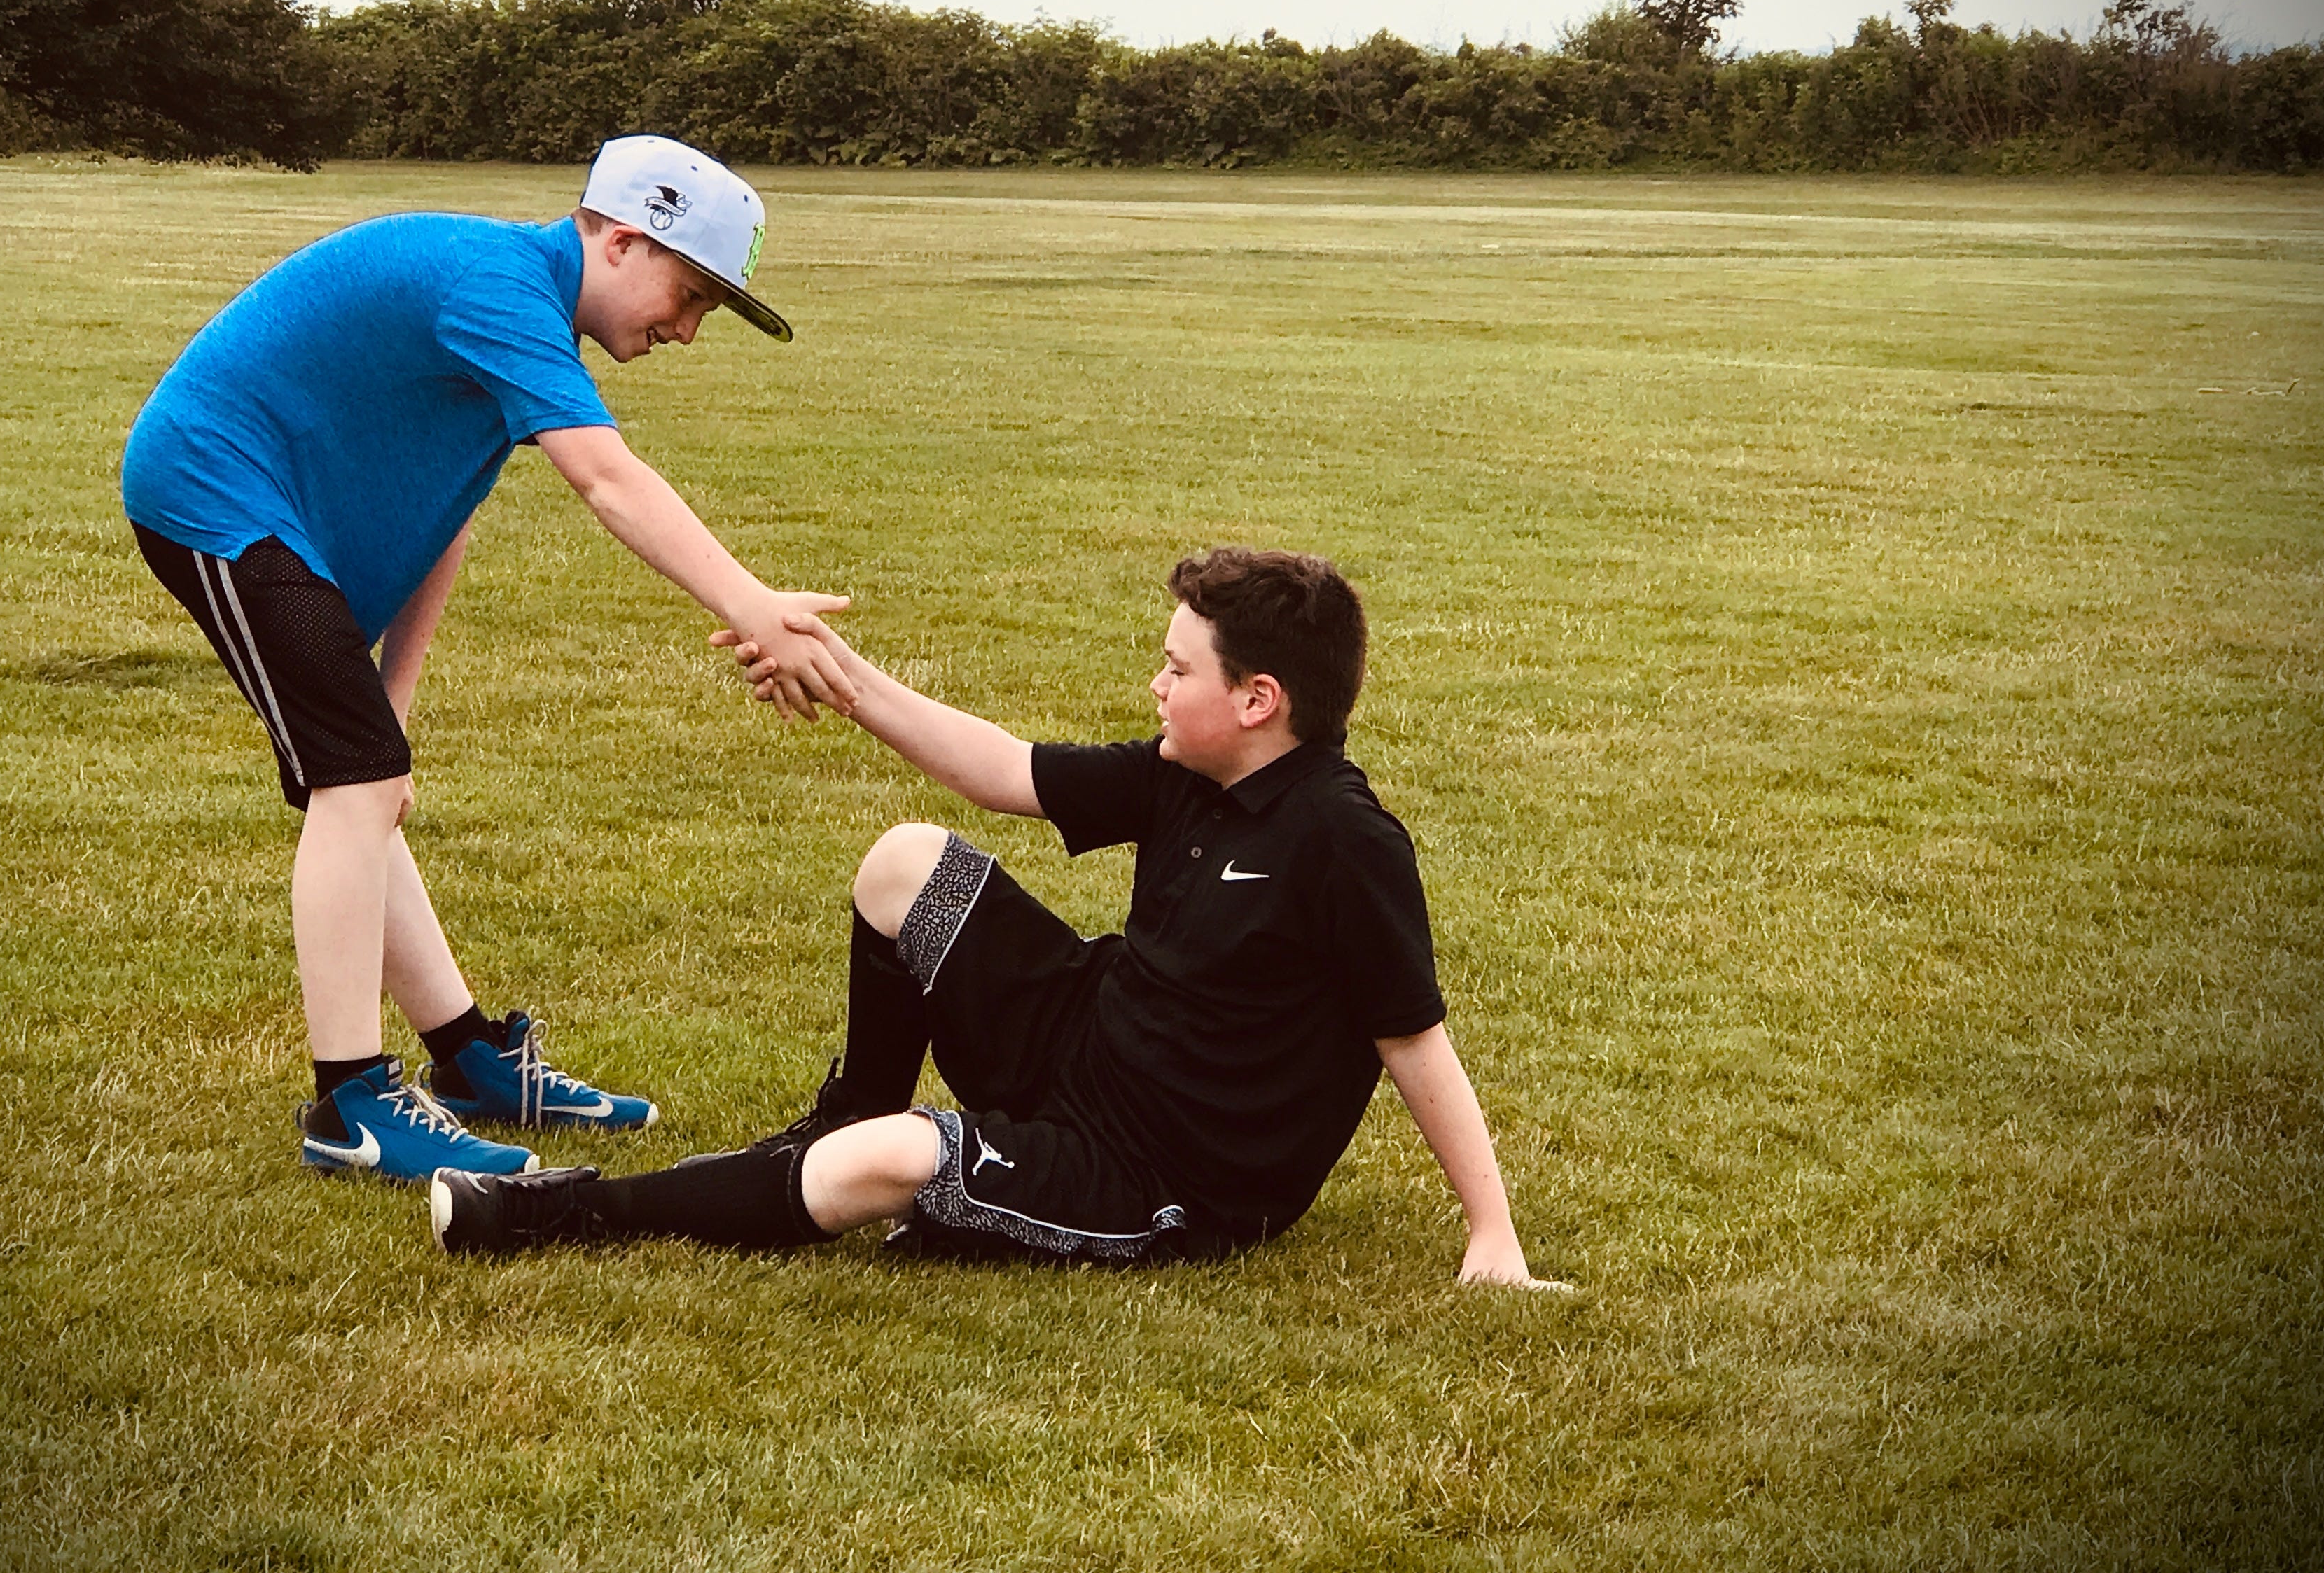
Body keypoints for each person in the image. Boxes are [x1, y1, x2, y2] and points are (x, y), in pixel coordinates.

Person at [431, 548, 1563, 1287]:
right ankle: (841, 1121)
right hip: (1089, 1045)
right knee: (905, 864)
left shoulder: (1346, 842)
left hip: (1156, 1168)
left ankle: (563, 1215)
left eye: (1178, 669)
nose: (1157, 686)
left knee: (882, 1165)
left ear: (1259, 700)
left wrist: (1493, 1233)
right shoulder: (1190, 770)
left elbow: (1413, 1039)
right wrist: (838, 671)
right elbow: (1000, 770)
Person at [121, 134, 854, 1185]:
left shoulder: (528, 311)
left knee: (366, 779)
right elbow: (607, 478)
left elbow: (447, 510)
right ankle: (350, 1108)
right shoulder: (498, 286)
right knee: (353, 786)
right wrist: (754, 605)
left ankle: (469, 1059)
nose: (688, 331)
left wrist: (396, 695)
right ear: (620, 242)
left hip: (274, 514)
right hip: (210, 492)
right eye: (689, 295)